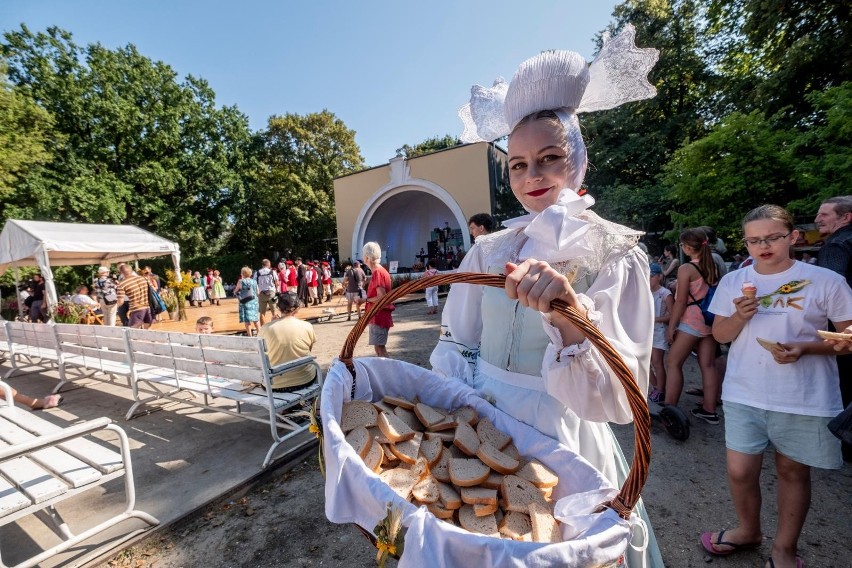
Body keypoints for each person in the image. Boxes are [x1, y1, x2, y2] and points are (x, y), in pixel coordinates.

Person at [430, 27, 662, 566]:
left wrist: (574, 318)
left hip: (565, 436)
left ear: (577, 158)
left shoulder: (614, 251)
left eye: (549, 158)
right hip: (483, 426)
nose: (531, 176)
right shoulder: (489, 250)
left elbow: (622, 398)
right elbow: (457, 342)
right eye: (517, 164)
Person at [700, 204, 852, 568]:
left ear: (793, 237)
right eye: (754, 240)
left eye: (772, 237)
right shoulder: (734, 281)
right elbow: (719, 334)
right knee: (739, 470)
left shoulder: (826, 280)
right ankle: (748, 530)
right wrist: (739, 315)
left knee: (793, 471)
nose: (763, 246)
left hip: (804, 395)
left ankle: (784, 548)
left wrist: (807, 349)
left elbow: (849, 336)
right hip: (743, 391)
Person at [663, 228, 722, 424]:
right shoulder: (713, 265)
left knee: (673, 362)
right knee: (708, 365)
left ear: (688, 247)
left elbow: (680, 302)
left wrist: (672, 327)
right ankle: (709, 409)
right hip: (709, 321)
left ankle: (670, 408)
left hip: (692, 321)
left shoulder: (686, 269)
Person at [814, 195, 852, 462]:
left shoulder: (838, 244)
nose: (817, 219)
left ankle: (842, 441)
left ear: (845, 217)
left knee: (844, 383)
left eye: (824, 214)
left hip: (843, 327)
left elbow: (829, 287)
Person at [257, 293, 318, 391]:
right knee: (313, 366)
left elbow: (262, 354)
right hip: (304, 380)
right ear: (298, 308)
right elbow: (308, 350)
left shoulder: (265, 329)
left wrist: (272, 323)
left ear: (278, 307)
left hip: (273, 385)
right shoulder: (307, 326)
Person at [363, 241, 393, 357]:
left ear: (366, 257)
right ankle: (387, 373)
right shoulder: (381, 271)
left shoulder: (378, 272)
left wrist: (367, 299)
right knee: (379, 349)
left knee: (380, 350)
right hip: (379, 315)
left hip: (379, 315)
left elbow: (381, 297)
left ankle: (389, 373)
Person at [649, 263, 673, 403]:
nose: (649, 279)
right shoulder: (645, 292)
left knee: (657, 362)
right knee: (646, 362)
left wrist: (654, 319)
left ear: (659, 277)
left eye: (651, 277)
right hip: (647, 332)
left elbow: (672, 314)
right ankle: (656, 386)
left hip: (659, 332)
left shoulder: (665, 294)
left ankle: (660, 390)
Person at [116, 263, 152, 329]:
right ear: (131, 270)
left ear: (121, 272)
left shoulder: (122, 284)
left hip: (136, 309)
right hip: (147, 307)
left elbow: (120, 302)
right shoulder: (144, 279)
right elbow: (153, 290)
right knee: (147, 330)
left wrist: (116, 305)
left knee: (133, 330)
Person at [235, 266, 260, 336]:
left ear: (242, 273)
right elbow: (258, 292)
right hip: (254, 302)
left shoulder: (241, 281)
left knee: (247, 320)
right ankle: (260, 334)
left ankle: (250, 336)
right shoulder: (254, 281)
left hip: (245, 302)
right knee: (256, 319)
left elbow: (236, 291)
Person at [254, 259, 279, 325]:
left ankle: (263, 328)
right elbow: (277, 283)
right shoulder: (273, 272)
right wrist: (278, 293)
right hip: (272, 294)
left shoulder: (257, 273)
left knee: (262, 313)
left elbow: (254, 284)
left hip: (261, 294)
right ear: (268, 264)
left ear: (262, 265)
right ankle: (275, 325)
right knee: (274, 311)